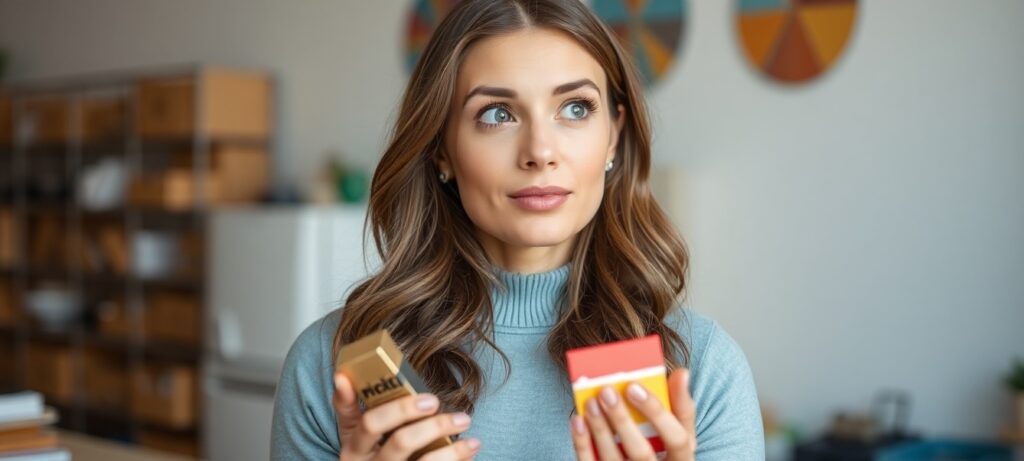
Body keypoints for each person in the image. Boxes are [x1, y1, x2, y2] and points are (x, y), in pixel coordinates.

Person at [271, 1, 764, 460]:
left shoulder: (704, 368)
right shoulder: (328, 366)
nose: (540, 151)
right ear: (441, 149)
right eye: (497, 114)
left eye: (576, 108)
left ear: (614, 135)